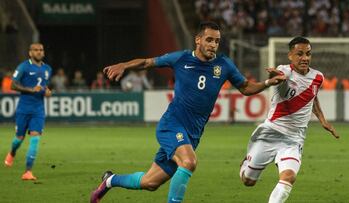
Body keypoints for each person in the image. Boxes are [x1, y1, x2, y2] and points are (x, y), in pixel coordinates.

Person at [90, 21, 285, 203]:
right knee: (189, 161)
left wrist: (267, 82)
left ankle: (110, 180)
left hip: (192, 134)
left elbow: (245, 88)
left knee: (150, 182)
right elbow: (147, 63)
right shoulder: (181, 58)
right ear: (198, 40)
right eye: (209, 40)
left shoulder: (224, 65)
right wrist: (124, 65)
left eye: (217, 41)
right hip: (171, 125)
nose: (213, 45)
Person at [239, 37, 339, 203]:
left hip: (293, 139)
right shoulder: (284, 71)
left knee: (288, 177)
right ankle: (246, 163)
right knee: (248, 181)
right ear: (290, 56)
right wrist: (274, 77)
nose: (305, 58)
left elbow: (312, 97)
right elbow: (279, 75)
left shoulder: (318, 77)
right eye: (299, 54)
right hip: (270, 133)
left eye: (308, 54)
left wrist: (323, 120)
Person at [3, 43, 52, 180]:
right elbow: (13, 85)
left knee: (35, 138)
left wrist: (47, 92)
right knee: (19, 139)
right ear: (30, 53)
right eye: (36, 50)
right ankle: (12, 152)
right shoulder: (23, 66)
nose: (39, 52)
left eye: (41, 50)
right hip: (23, 109)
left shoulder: (47, 69)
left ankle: (28, 171)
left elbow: (44, 87)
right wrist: (31, 90)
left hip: (38, 110)